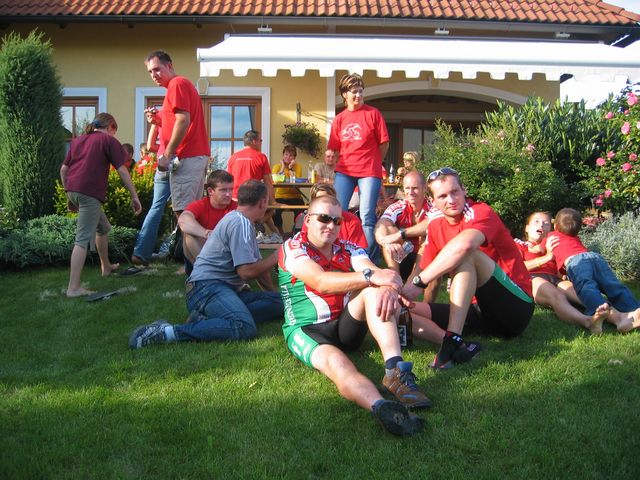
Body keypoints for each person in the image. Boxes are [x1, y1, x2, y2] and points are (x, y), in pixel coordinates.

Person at [278, 195, 429, 436]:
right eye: (324, 218)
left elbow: (379, 273)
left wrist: (386, 287)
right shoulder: (293, 247)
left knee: (374, 292)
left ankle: (395, 371)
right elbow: (321, 281)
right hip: (307, 330)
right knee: (338, 365)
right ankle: (381, 408)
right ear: (307, 220)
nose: (331, 225)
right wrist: (373, 278)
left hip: (345, 325)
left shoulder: (348, 247)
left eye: (337, 221)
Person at [403, 167, 533, 369]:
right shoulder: (435, 225)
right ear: (432, 201)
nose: (451, 200)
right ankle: (460, 344)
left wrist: (419, 283)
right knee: (400, 311)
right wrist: (402, 296)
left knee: (467, 255)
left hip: (516, 308)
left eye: (455, 192)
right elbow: (427, 272)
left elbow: (465, 245)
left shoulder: (480, 211)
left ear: (464, 190)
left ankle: (452, 341)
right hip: (479, 313)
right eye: (442, 196)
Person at [129, 180, 283, 348]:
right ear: (262, 202)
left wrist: (272, 294)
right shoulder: (241, 223)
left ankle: (209, 319)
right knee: (243, 326)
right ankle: (166, 333)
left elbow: (258, 268)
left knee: (282, 302)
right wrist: (277, 256)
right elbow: (246, 272)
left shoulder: (242, 221)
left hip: (219, 289)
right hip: (206, 288)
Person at [60, 113, 142, 297]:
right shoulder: (108, 140)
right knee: (82, 240)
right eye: (114, 131)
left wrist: (69, 196)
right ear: (110, 126)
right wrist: (134, 196)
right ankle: (73, 288)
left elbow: (64, 170)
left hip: (74, 190)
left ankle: (106, 267)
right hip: (89, 194)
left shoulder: (78, 140)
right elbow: (122, 170)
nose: (114, 134)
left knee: (103, 227)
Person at [514, 211, 609, 334]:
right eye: (536, 222)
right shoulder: (519, 244)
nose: (541, 225)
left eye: (546, 223)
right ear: (527, 228)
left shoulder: (555, 244)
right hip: (533, 278)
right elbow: (516, 268)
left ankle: (619, 317)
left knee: (584, 293)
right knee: (558, 296)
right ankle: (588, 322)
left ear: (551, 229)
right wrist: (547, 257)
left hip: (556, 279)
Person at [328, 73, 389, 261]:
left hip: (369, 171)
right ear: (344, 94)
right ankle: (341, 255)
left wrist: (375, 163)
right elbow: (334, 148)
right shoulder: (340, 119)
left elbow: (384, 143)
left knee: (367, 217)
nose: (358, 95)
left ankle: (368, 260)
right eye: (354, 91)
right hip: (345, 171)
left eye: (360, 91)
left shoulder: (373, 114)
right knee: (337, 213)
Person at [548, 208, 640, 332]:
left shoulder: (552, 236)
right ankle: (633, 309)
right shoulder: (576, 238)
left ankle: (598, 309)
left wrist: (540, 247)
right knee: (612, 285)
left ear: (555, 227)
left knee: (587, 287)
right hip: (594, 257)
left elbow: (542, 250)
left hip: (577, 262)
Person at [143, 50, 210, 221]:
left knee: (184, 214)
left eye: (157, 69)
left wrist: (167, 155)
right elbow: (177, 121)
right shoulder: (178, 85)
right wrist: (157, 119)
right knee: (190, 213)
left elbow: (183, 121)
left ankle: (196, 240)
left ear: (169, 66)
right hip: (192, 155)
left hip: (187, 155)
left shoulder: (177, 84)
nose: (153, 75)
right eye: (150, 71)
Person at [374, 171, 431, 282]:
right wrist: (385, 242)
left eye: (415, 188)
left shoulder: (432, 207)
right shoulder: (398, 206)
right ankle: (395, 277)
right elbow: (381, 224)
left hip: (427, 258)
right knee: (389, 229)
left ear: (424, 188)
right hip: (403, 255)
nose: (411, 192)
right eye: (407, 188)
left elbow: (431, 224)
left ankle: (413, 280)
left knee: (427, 236)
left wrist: (401, 233)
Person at [227, 129, 281, 242]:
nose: (261, 143)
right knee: (271, 209)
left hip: (235, 199)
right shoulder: (261, 157)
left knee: (267, 207)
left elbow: (229, 180)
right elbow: (268, 182)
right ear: (254, 141)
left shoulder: (233, 157)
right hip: (253, 198)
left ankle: (276, 233)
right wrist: (273, 202)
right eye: (260, 140)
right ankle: (261, 227)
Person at [131, 124, 171, 266]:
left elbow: (150, 146)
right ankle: (187, 255)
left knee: (156, 207)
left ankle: (141, 253)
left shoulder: (159, 118)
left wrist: (163, 150)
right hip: (178, 162)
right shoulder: (180, 118)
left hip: (162, 165)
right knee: (186, 210)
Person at [178, 170, 237, 264]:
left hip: (226, 254)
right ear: (210, 191)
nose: (228, 194)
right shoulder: (201, 205)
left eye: (230, 189)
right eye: (223, 190)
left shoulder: (236, 207)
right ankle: (206, 266)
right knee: (189, 234)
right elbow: (183, 220)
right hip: (201, 253)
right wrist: (207, 234)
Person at [294, 183, 367, 249]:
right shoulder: (312, 219)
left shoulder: (352, 220)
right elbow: (304, 247)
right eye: (322, 218)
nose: (331, 226)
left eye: (337, 221)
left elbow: (358, 250)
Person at [271, 145, 305, 235]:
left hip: (295, 196)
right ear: (283, 155)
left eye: (291, 155)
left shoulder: (298, 167)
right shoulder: (277, 167)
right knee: (275, 210)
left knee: (301, 209)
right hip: (280, 196)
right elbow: (275, 180)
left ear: (294, 158)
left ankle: (296, 232)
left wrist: (290, 167)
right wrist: (282, 167)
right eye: (286, 154)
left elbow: (296, 182)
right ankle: (280, 233)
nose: (288, 157)